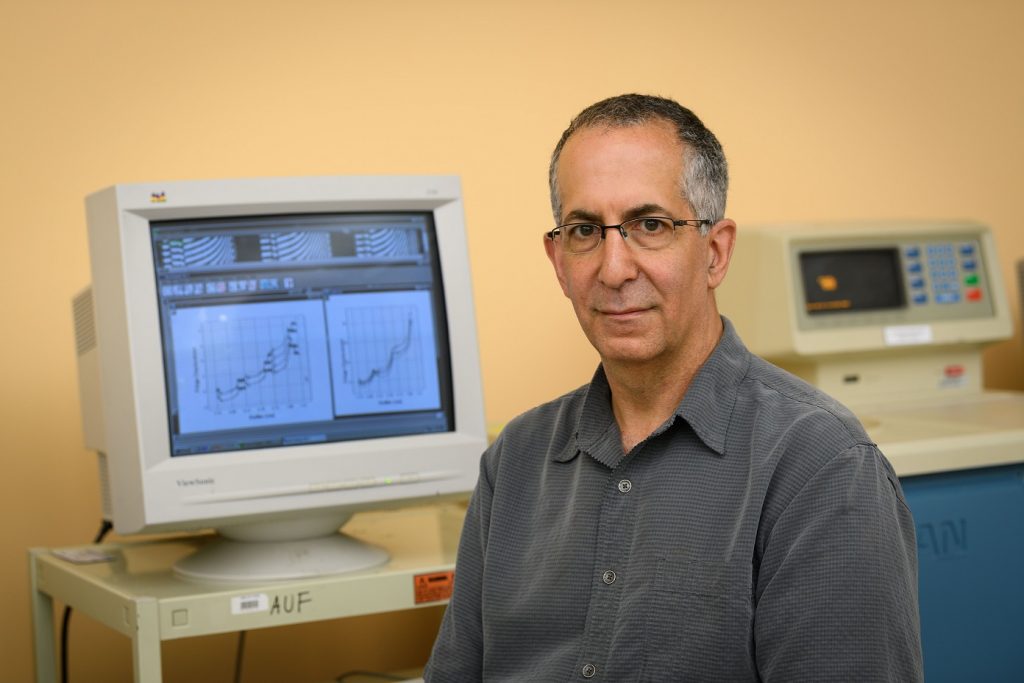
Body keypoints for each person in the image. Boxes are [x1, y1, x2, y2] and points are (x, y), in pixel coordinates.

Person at [424, 94, 923, 681]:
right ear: (559, 261)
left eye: (650, 226)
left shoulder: (821, 467)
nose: (614, 269)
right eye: (585, 230)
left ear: (715, 252)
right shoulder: (515, 461)